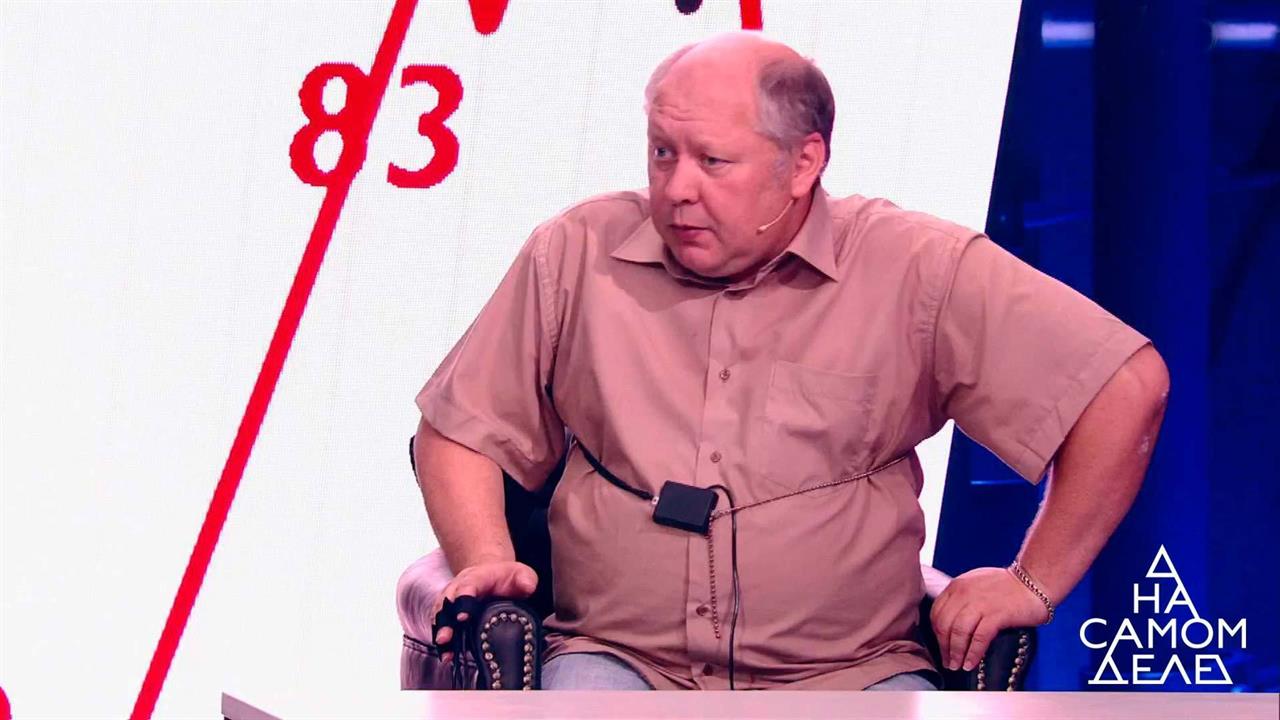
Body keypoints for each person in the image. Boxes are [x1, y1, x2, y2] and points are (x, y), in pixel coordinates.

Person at [412, 32, 1169, 690]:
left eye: (713, 161)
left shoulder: (916, 269)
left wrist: (1032, 583)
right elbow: (459, 427)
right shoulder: (577, 254)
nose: (676, 189)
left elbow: (1124, 387)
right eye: (662, 152)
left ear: (804, 162)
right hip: (618, 659)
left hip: (852, 673)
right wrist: (484, 556)